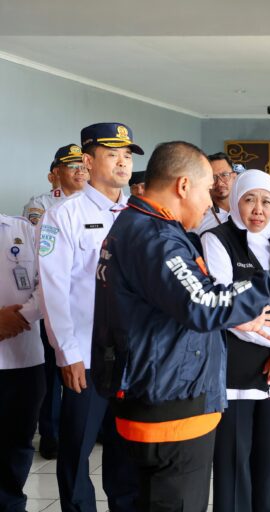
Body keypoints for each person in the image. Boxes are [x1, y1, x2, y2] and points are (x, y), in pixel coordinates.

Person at [91, 141, 270, 512]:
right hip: (168, 408)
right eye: (208, 189)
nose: (211, 202)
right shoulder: (157, 239)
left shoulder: (139, 226)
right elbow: (207, 303)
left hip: (158, 394)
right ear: (184, 186)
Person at [38, 123, 142, 512]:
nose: (123, 162)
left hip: (133, 357)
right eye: (113, 153)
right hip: (87, 354)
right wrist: (67, 353)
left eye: (128, 155)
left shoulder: (136, 215)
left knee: (126, 447)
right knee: (77, 448)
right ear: (87, 160)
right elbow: (53, 289)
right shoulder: (64, 214)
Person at [201, 170, 270, 512]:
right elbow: (224, 307)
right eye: (249, 200)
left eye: (266, 201)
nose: (258, 209)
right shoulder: (217, 239)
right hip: (235, 376)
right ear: (236, 201)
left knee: (266, 460)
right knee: (233, 464)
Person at [24, 144, 88, 461]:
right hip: (53, 301)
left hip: (89, 308)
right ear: (55, 175)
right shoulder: (42, 204)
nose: (80, 170)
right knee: (53, 374)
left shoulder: (96, 205)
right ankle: (50, 436)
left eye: (82, 165)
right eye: (71, 165)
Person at [0, 213, 44, 512]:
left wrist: (20, 318)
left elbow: (49, 282)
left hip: (23, 358)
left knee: (17, 443)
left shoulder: (22, 229)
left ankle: (11, 505)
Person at [22, 145, 89, 225]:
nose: (80, 172)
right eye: (73, 166)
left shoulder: (95, 203)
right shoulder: (41, 204)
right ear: (57, 172)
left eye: (84, 167)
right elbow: (37, 235)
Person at [193, 152, 235, 234]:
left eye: (224, 175)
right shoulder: (197, 217)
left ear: (234, 176)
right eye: (213, 177)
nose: (219, 183)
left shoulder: (248, 210)